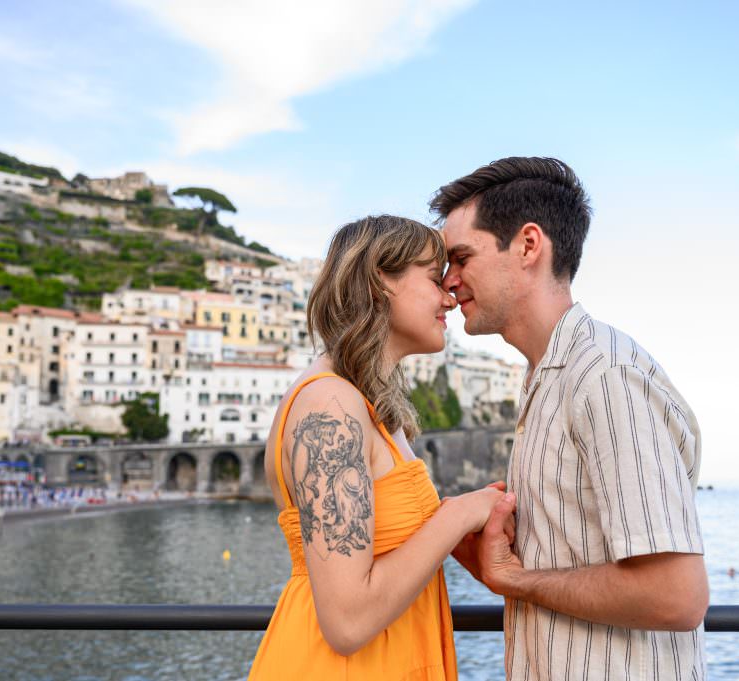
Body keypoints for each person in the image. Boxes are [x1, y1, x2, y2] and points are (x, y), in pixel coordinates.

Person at [431, 158, 709, 680]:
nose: (449, 282)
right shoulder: (549, 378)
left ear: (529, 245)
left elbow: (676, 596)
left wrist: (516, 580)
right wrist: (497, 561)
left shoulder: (604, 376)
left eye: (461, 258)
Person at [248, 215, 508, 680]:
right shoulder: (330, 406)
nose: (449, 295)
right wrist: (458, 515)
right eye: (434, 278)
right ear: (379, 281)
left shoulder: (369, 408)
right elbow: (347, 622)